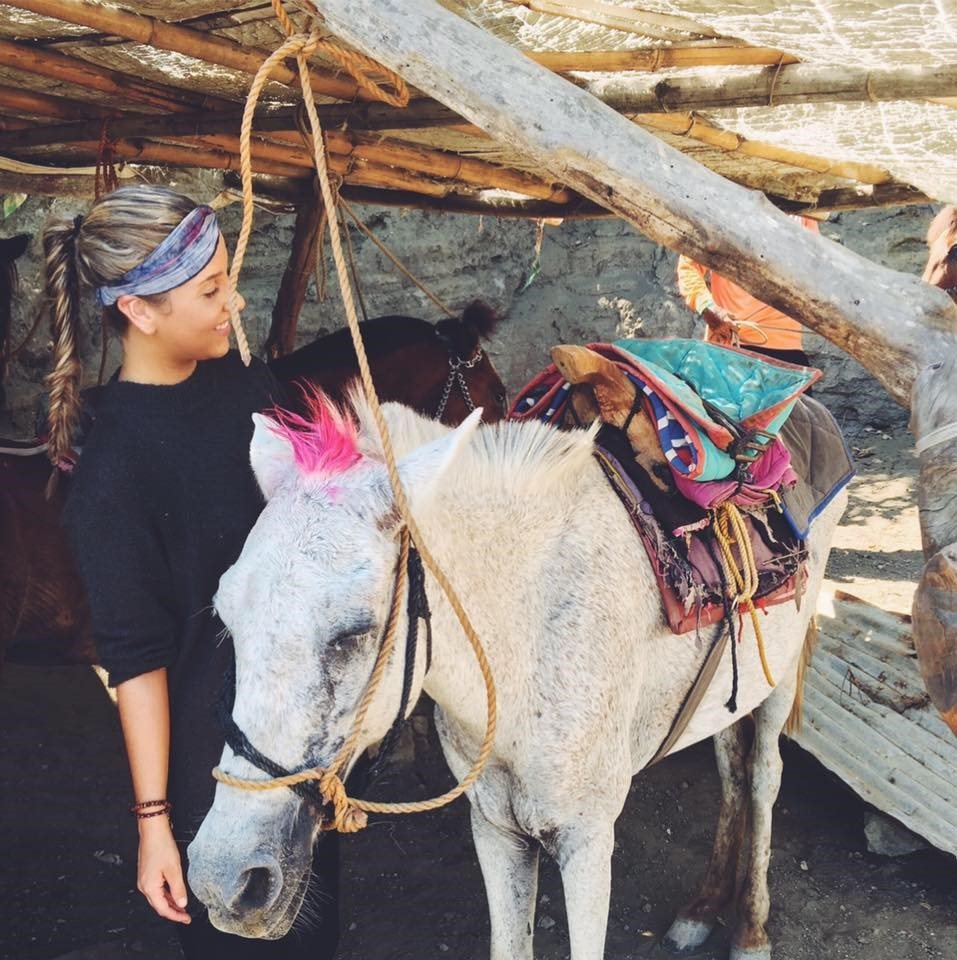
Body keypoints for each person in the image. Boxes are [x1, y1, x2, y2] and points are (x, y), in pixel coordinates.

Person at [44, 185, 339, 959]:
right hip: (218, 786)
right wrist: (156, 826)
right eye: (210, 288)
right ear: (140, 310)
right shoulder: (113, 474)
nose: (234, 302)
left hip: (296, 749)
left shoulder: (248, 390)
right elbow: (134, 660)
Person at [676, 214, 820, 366]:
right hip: (732, 339)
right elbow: (689, 267)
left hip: (786, 347)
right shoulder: (722, 206)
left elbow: (815, 266)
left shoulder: (801, 210)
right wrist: (708, 307)